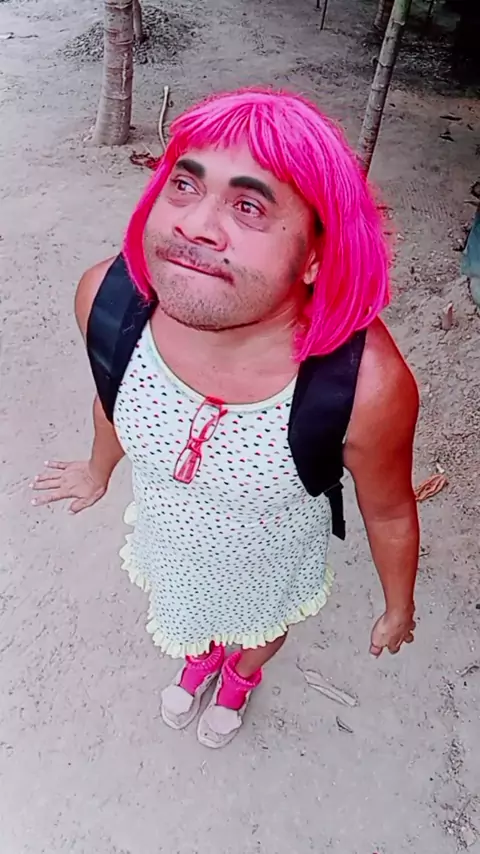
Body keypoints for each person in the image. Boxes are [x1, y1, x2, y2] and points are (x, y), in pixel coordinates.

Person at [31, 88, 420, 749]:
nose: (196, 225)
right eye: (184, 185)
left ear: (317, 255)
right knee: (191, 619)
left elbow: (388, 512)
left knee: (259, 629)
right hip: (172, 540)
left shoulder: (366, 389)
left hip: (271, 560)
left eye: (248, 206)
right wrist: (98, 472)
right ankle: (203, 659)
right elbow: (114, 399)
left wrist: (398, 605)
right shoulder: (107, 301)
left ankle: (240, 676)